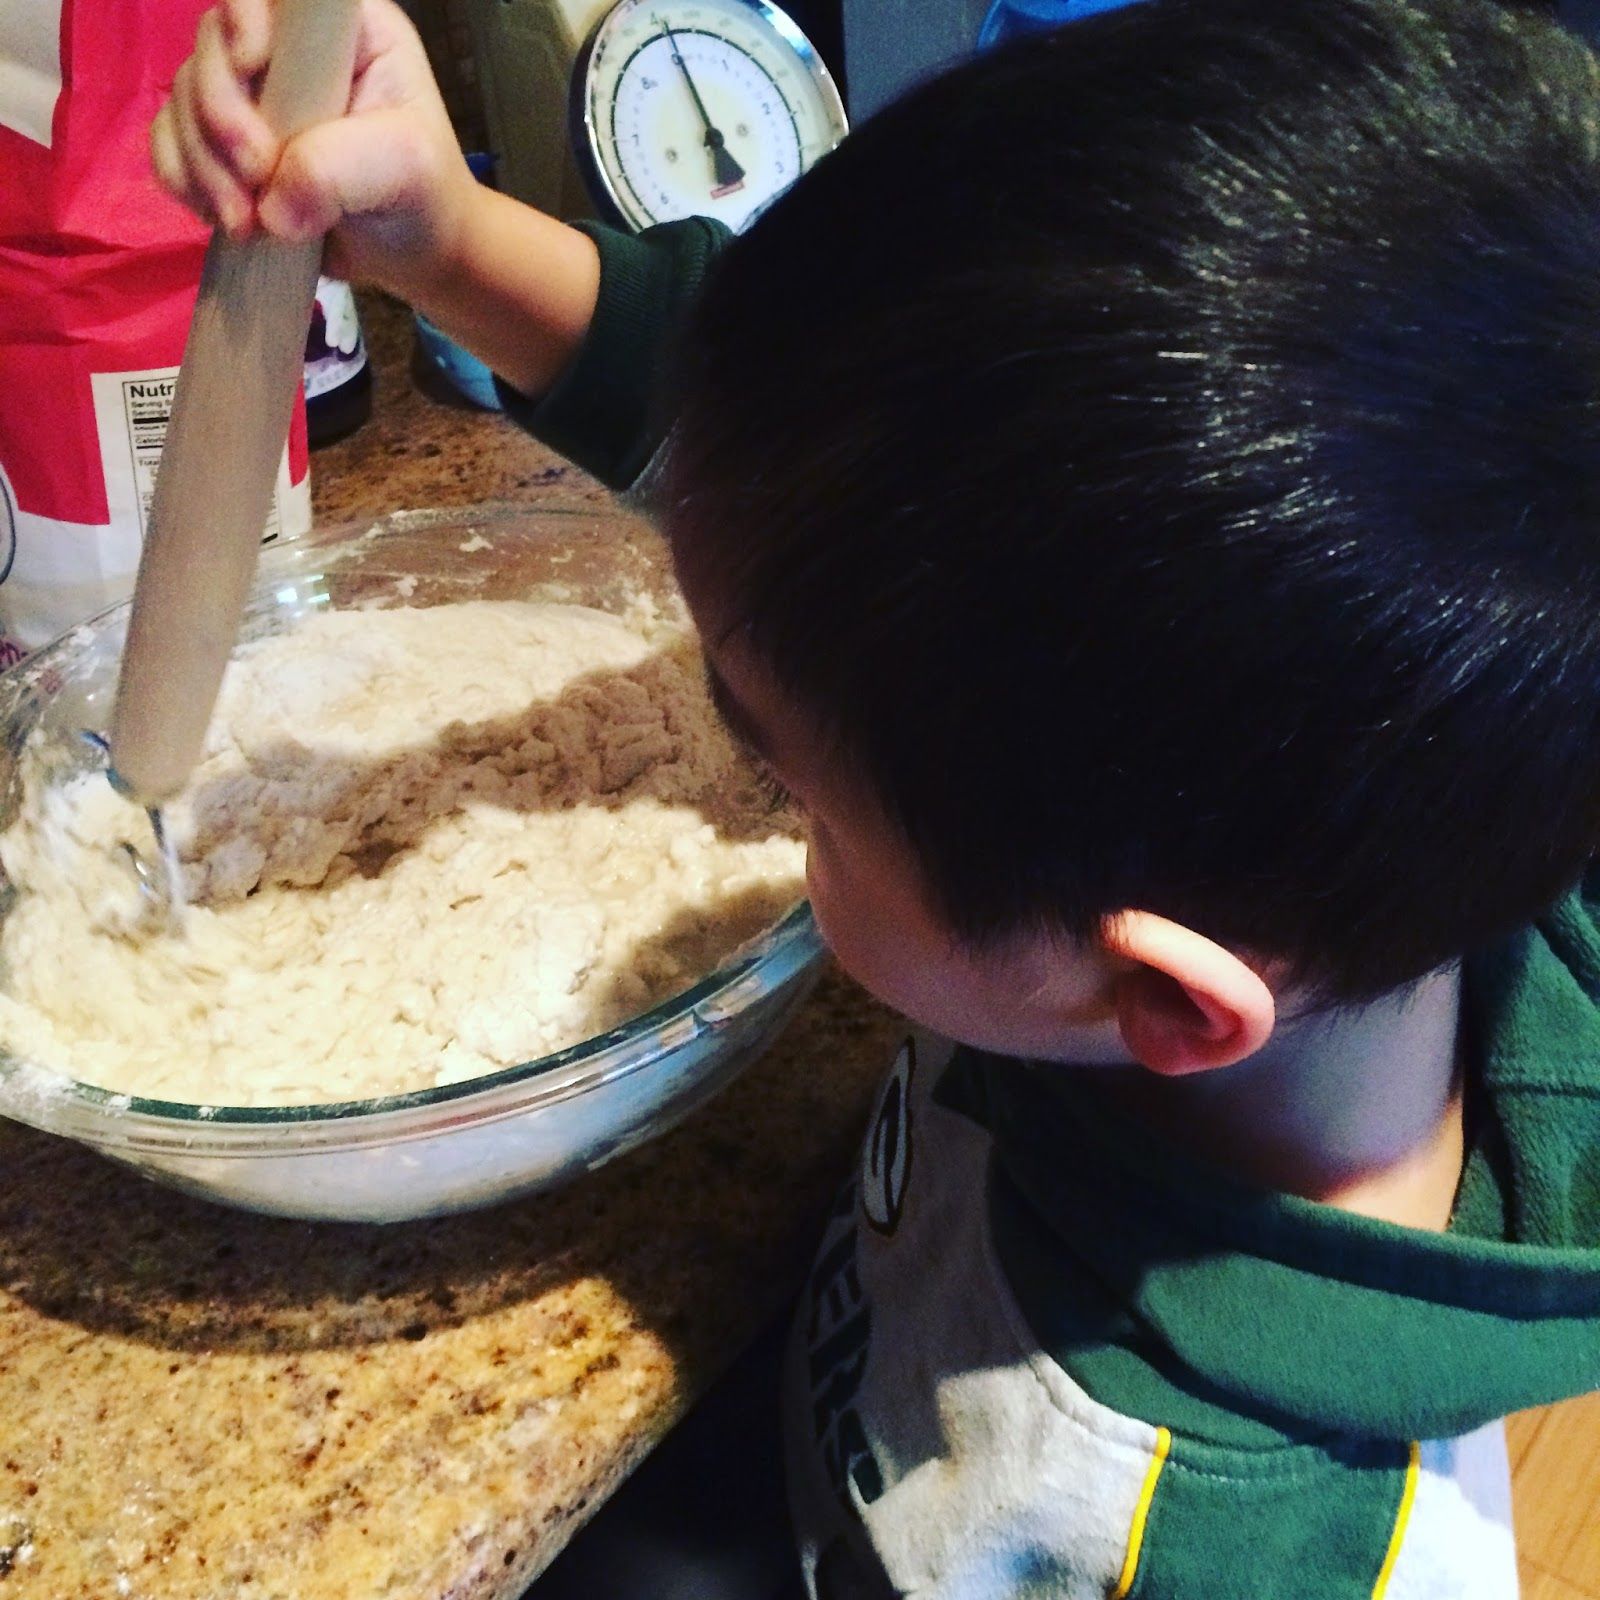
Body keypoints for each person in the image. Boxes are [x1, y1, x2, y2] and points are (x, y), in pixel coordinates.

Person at [155, 0, 1600, 1593]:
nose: (763, 807)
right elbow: (787, 477)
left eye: (795, 790)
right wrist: (446, 242)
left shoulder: (1225, 1543)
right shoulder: (1280, 812)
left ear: (1153, 991)